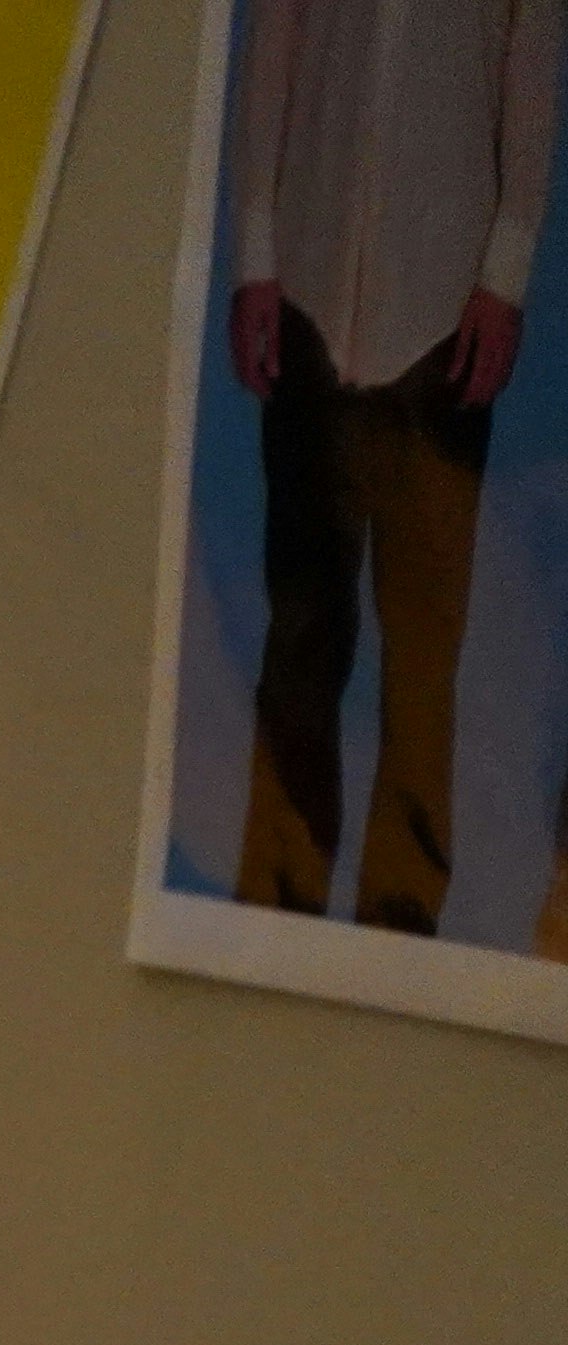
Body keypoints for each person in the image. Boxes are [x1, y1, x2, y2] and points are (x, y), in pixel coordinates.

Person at [227, 0, 559, 929]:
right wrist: (255, 256)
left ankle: (403, 915)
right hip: (310, 284)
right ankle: (275, 903)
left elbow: (534, 64)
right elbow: (276, 40)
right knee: (303, 631)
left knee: (423, 649)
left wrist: (506, 274)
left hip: (445, 312)